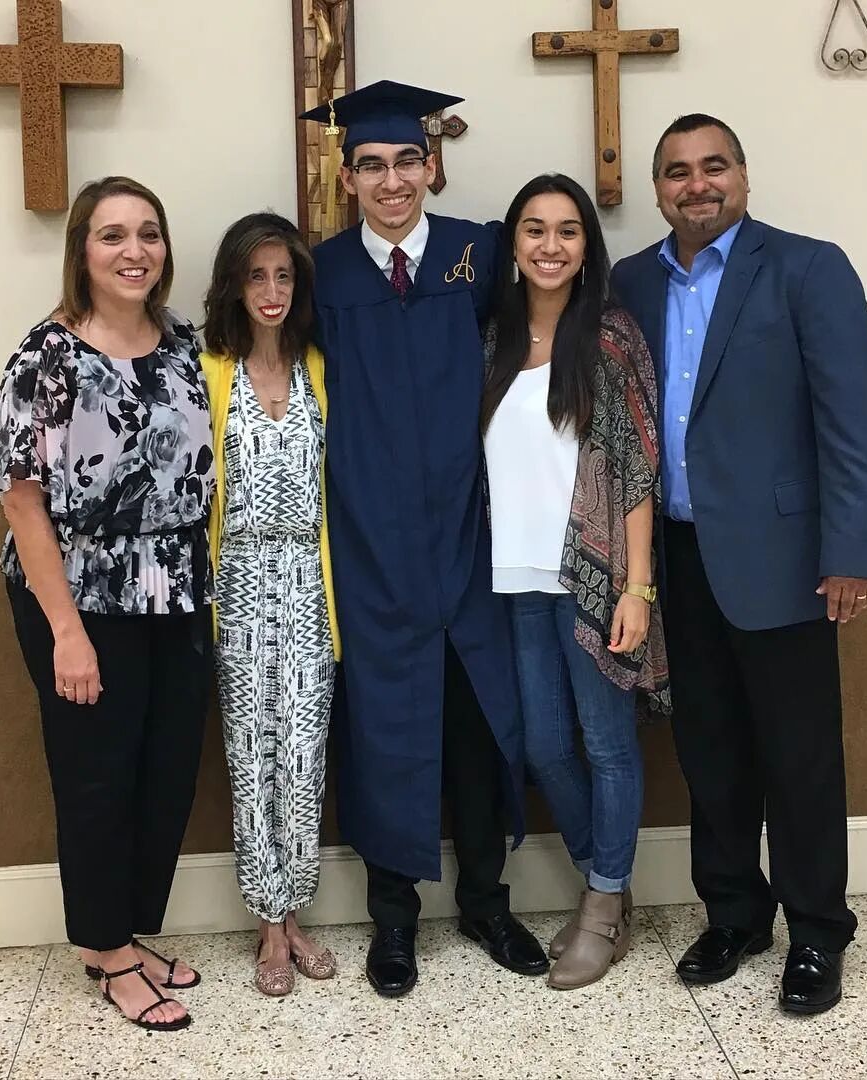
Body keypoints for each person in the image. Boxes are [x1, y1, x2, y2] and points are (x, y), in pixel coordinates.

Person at [611, 114, 867, 1014]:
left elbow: (849, 421)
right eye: (677, 171)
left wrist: (852, 551)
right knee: (710, 751)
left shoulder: (808, 268)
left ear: (743, 175)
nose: (697, 184)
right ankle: (734, 913)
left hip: (786, 560)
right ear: (658, 190)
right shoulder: (631, 281)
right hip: (677, 559)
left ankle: (817, 932)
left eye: (714, 165)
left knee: (799, 757)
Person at [300, 80, 548, 997]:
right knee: (386, 730)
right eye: (371, 165)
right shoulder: (319, 274)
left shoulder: (477, 254)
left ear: (432, 165)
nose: (392, 180)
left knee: (478, 724)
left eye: (408, 160)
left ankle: (487, 903)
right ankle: (394, 922)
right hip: (367, 542)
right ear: (347, 176)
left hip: (471, 531)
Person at [0, 176, 215, 1031]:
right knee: (97, 775)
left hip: (175, 590)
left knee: (165, 771)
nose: (134, 251)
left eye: (149, 233)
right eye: (112, 235)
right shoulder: (48, 355)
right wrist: (67, 633)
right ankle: (107, 954)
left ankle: (124, 931)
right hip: (79, 595)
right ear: (82, 250)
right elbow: (21, 499)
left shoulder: (181, 343)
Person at [482, 174, 669, 990]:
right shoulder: (492, 336)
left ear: (587, 245)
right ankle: (609, 884)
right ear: (514, 243)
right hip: (515, 575)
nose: (550, 245)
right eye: (534, 229)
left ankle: (599, 909)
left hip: (595, 574)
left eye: (567, 230)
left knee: (606, 743)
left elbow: (637, 470)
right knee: (544, 747)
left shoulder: (611, 338)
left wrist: (638, 587)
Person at [200, 213, 341, 997]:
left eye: (284, 275)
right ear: (234, 284)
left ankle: (296, 911)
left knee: (304, 756)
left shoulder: (319, 368)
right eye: (256, 275)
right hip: (242, 587)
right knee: (252, 757)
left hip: (310, 587)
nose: (272, 290)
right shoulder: (210, 371)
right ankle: (268, 925)